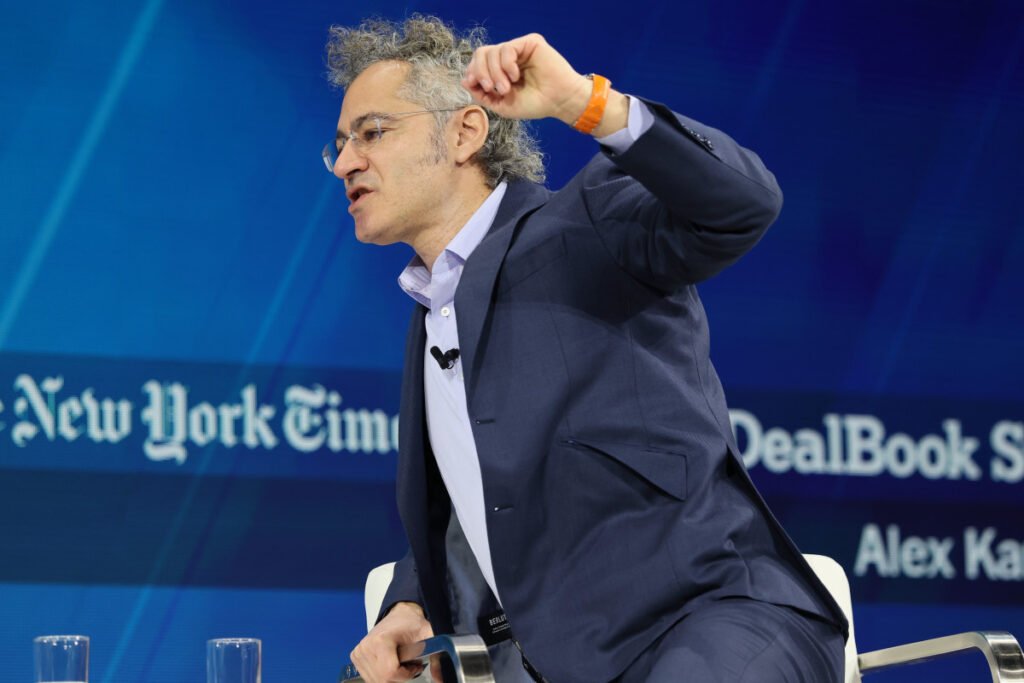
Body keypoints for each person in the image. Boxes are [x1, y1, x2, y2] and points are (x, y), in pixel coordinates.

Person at [323, 15, 848, 683]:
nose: (346, 162)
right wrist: (411, 600)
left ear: (465, 132)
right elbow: (487, 498)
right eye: (339, 144)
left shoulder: (586, 223)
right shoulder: (433, 319)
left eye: (372, 132)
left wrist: (584, 102)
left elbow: (743, 203)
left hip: (710, 622)